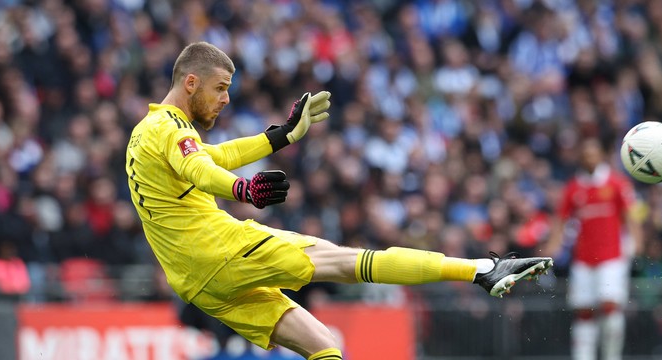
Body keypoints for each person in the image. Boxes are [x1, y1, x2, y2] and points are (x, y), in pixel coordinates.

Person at [125, 41, 553, 359]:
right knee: (347, 261)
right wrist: (243, 189)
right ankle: (483, 269)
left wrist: (280, 136)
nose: (226, 99)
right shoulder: (171, 127)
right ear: (191, 82)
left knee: (323, 345)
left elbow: (215, 156)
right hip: (220, 251)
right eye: (220, 88)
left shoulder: (146, 134)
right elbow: (202, 170)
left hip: (197, 284)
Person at [543, 138, 643, 360]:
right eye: (585, 154)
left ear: (601, 156)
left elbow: (631, 216)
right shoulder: (573, 188)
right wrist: (552, 248)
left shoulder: (616, 183)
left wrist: (637, 241)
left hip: (612, 257)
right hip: (583, 260)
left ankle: (611, 356)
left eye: (593, 153)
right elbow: (560, 221)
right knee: (584, 310)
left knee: (610, 306)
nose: (589, 158)